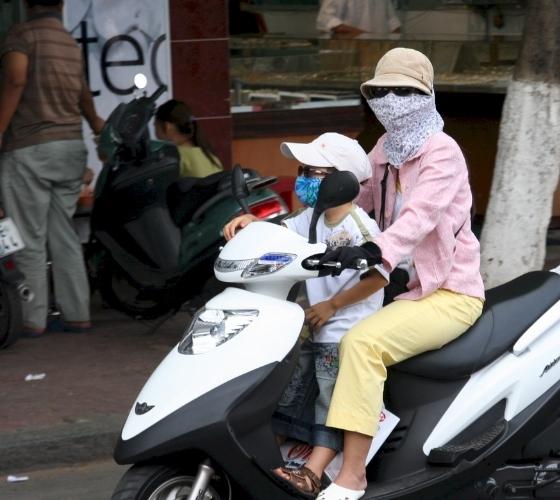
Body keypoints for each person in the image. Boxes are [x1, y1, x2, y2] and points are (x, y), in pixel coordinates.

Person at [314, 48, 485, 500]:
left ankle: (352, 475)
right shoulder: (386, 148)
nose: (391, 99)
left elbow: (420, 217)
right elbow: (357, 200)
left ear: (426, 96)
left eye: (404, 91)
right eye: (381, 90)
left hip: (447, 293)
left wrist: (374, 250)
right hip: (399, 288)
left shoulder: (442, 153)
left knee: (361, 344)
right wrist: (284, 231)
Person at [222, 132, 389, 498]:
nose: (302, 179)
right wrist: (251, 222)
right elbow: (281, 231)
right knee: (292, 392)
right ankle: (267, 460)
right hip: (312, 327)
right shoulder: (312, 218)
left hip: (344, 330)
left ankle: (313, 472)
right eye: (302, 171)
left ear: (342, 181)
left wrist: (333, 305)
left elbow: (379, 276)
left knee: (330, 402)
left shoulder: (359, 227)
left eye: (312, 172)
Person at [0, 0, 104, 337]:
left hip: (31, 147)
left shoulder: (22, 34)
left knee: (30, 237)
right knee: (65, 235)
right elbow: (83, 94)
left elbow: (15, 79)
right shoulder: (68, 42)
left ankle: (33, 319)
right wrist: (95, 125)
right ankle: (77, 314)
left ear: (26, 3)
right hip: (70, 147)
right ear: (60, 4)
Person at [154, 99, 223, 178]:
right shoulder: (212, 157)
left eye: (155, 127)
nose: (155, 134)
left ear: (167, 127)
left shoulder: (175, 156)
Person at [316, 0, 401, 37]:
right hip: (348, 53)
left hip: (378, 51)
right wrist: (367, 37)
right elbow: (326, 19)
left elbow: (393, 22)